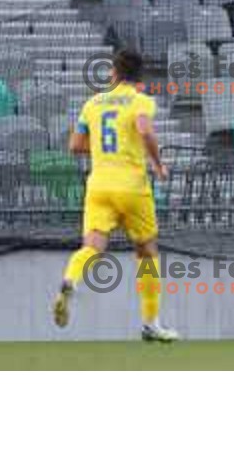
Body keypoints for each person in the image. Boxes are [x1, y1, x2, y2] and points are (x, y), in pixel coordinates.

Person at [52, 49, 178, 342]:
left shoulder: (93, 102)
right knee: (147, 251)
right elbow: (145, 130)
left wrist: (101, 150)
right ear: (139, 76)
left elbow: (74, 145)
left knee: (93, 246)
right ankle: (150, 323)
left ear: (114, 73)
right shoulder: (141, 100)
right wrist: (158, 165)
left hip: (99, 186)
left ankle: (71, 278)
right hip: (132, 186)